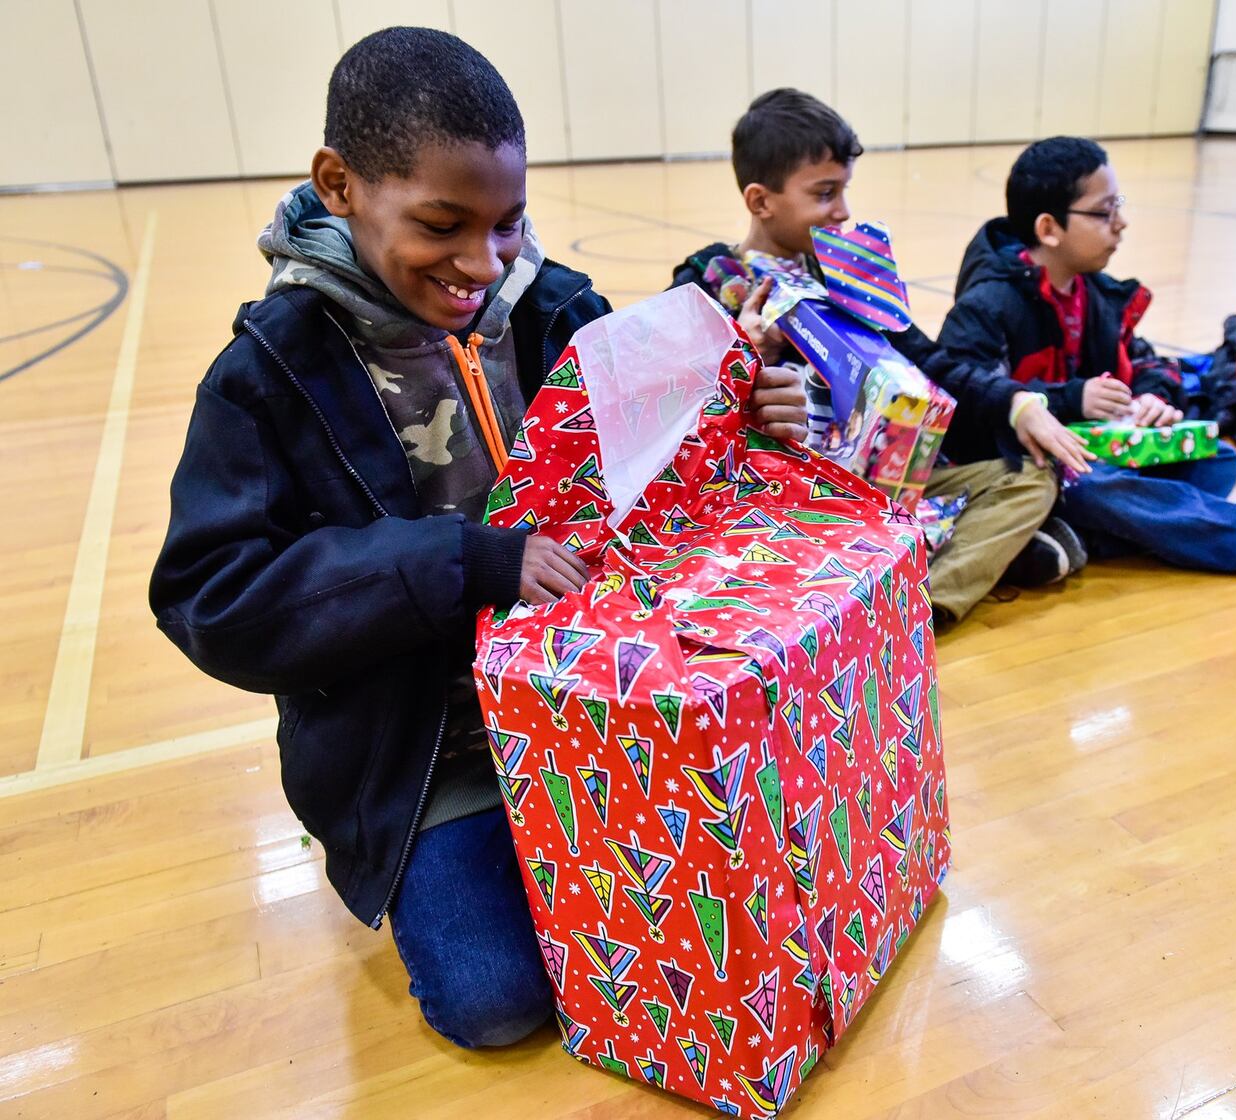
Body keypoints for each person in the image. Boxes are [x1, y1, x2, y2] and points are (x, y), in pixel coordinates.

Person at [148, 28, 806, 1049]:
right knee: (498, 1002)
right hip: (423, 751)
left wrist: (744, 415)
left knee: (757, 889)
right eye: (442, 224)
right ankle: (429, 863)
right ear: (340, 184)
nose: (480, 261)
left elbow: (646, 484)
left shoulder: (554, 310)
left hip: (591, 707)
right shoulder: (270, 372)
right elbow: (212, 598)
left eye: (507, 223)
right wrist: (462, 563)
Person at [670, 89, 1088, 624]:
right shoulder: (706, 283)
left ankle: (917, 605)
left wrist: (1017, 403)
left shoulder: (849, 274)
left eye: (844, 190)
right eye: (824, 194)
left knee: (1030, 479)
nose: (843, 211)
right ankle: (900, 571)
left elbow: (929, 359)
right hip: (777, 501)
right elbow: (669, 417)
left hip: (878, 481)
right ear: (760, 200)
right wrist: (736, 357)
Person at [936, 136, 1236, 575]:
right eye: (1102, 212)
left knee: (1216, 460)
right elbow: (969, 412)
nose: (1121, 223)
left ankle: (1070, 540)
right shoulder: (987, 305)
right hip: (1028, 472)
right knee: (1094, 487)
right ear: (1048, 229)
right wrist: (1071, 399)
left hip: (1098, 457)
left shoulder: (1093, 290)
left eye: (1119, 204)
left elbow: (1148, 362)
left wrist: (1152, 397)